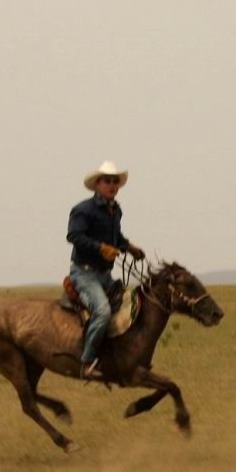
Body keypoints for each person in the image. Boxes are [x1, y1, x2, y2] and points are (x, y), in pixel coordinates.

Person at [66, 161, 145, 378]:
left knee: (134, 302)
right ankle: (87, 362)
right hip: (84, 273)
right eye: (107, 181)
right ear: (97, 184)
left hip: (105, 275)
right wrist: (101, 248)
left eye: (115, 182)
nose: (112, 185)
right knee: (102, 312)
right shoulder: (83, 210)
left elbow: (116, 238)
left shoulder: (115, 210)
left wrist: (129, 247)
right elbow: (74, 236)